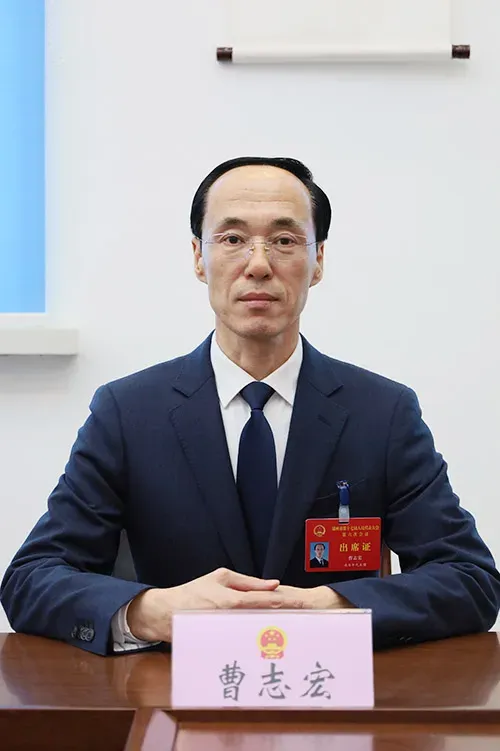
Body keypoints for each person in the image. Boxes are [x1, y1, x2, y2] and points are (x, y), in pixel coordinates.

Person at [2, 157, 499, 656]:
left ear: (318, 260)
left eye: (284, 240)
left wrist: (333, 607)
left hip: (330, 687)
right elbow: (31, 580)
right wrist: (152, 611)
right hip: (175, 689)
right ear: (199, 257)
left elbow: (470, 579)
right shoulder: (128, 414)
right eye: (233, 238)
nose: (258, 264)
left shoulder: (382, 413)